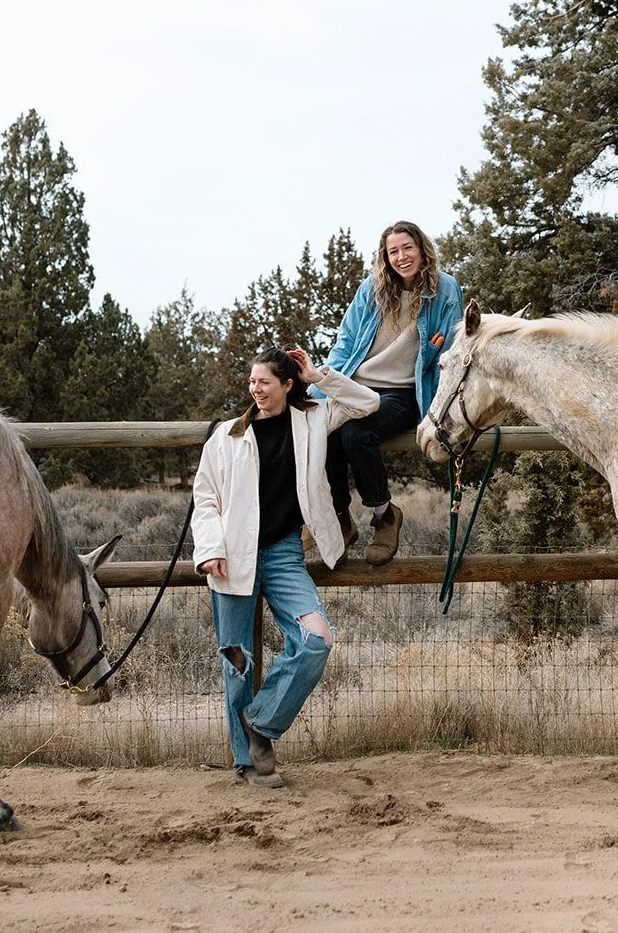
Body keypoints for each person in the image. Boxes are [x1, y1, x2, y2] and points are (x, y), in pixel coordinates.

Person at [191, 346, 379, 787]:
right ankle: (247, 762)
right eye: (252, 381)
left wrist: (321, 376)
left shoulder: (313, 418)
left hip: (283, 554)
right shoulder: (227, 436)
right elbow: (205, 497)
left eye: (265, 382)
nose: (255, 389)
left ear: (288, 385)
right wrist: (210, 548)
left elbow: (367, 403)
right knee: (237, 662)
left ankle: (261, 722)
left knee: (317, 639)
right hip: (233, 559)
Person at [321, 220, 464, 564]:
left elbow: (457, 348)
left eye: (407, 248)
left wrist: (447, 407)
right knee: (324, 434)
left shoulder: (445, 290)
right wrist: (323, 391)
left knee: (355, 435)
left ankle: (384, 515)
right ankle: (340, 517)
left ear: (422, 248)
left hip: (403, 391)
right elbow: (345, 343)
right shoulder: (371, 289)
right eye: (393, 251)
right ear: (385, 257)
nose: (402, 257)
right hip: (357, 384)